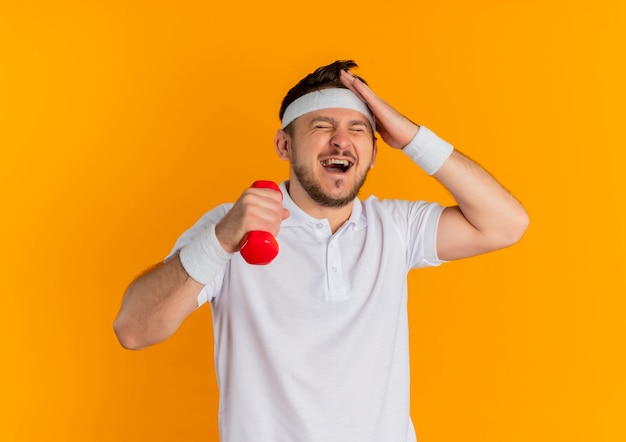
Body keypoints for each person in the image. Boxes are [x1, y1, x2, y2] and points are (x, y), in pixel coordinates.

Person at [114, 60, 529, 442]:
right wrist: (222, 239)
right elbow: (134, 330)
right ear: (284, 146)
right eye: (321, 126)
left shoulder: (395, 227)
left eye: (358, 129)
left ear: (373, 151)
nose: (341, 141)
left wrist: (411, 137)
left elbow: (507, 224)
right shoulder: (230, 225)